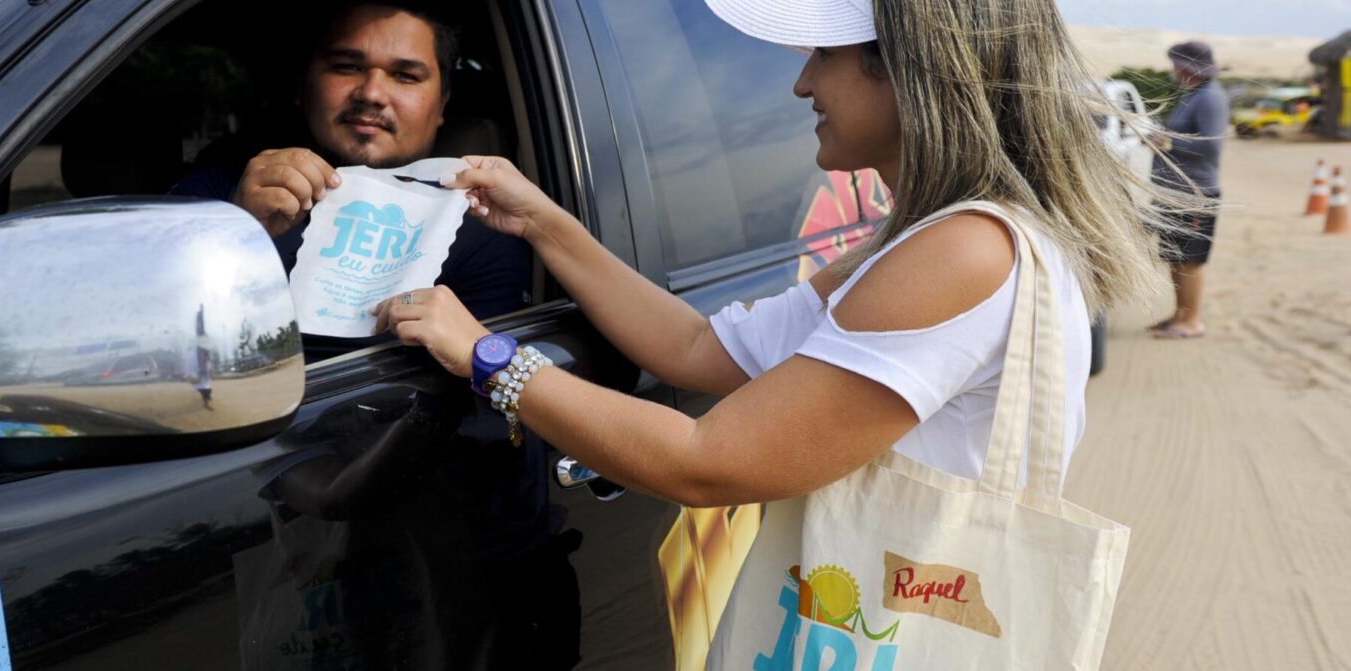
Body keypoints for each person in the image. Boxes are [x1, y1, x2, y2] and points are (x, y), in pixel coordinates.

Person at [373, 0, 1191, 506]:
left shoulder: (964, 251)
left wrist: (485, 354)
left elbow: (708, 464)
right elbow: (698, 348)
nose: (802, 85)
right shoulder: (927, 239)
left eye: (824, 55)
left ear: (910, 72)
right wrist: (547, 221)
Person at [171, 1, 531, 359]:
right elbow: (150, 323)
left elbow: (486, 388)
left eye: (405, 76)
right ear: (304, 84)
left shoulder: (483, 230)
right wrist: (236, 235)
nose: (372, 93)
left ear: (441, 104)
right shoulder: (227, 189)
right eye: (347, 67)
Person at [1148, 41, 1229, 340]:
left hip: (1195, 193)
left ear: (1187, 67)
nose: (1173, 70)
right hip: (1175, 192)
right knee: (1176, 257)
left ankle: (1192, 321)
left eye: (1175, 64)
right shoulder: (1193, 95)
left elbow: (1211, 145)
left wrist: (1167, 141)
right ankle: (1179, 315)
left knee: (1191, 260)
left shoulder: (1210, 98)